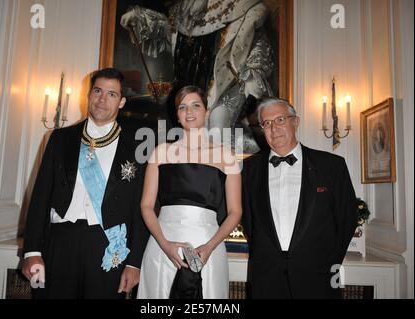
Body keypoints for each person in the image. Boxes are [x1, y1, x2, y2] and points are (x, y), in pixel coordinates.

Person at [21, 68, 149, 298]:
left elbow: (141, 209)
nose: (102, 99)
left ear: (121, 102)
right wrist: (32, 249)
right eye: (98, 91)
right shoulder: (60, 139)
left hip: (107, 247)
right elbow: (40, 197)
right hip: (60, 243)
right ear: (89, 94)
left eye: (111, 94)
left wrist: (134, 263)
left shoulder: (136, 147)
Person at [120, 0, 275, 153]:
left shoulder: (245, 7)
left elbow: (258, 49)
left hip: (224, 86)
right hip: (187, 87)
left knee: (218, 123)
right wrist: (140, 18)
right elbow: (167, 30)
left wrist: (252, 74)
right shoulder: (184, 9)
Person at [241, 97, 357, 298]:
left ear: (296, 121)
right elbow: (249, 222)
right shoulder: (249, 169)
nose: (273, 128)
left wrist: (326, 260)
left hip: (318, 278)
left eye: (280, 120)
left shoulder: (331, 166)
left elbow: (347, 219)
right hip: (267, 278)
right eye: (266, 123)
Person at [137, 85, 242, 298]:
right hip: (162, 245)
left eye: (196, 105)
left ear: (207, 111)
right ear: (177, 115)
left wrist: (210, 247)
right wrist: (165, 245)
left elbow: (235, 212)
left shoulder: (226, 156)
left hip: (208, 249)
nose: (189, 112)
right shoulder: (161, 152)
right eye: (183, 107)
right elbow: (146, 206)